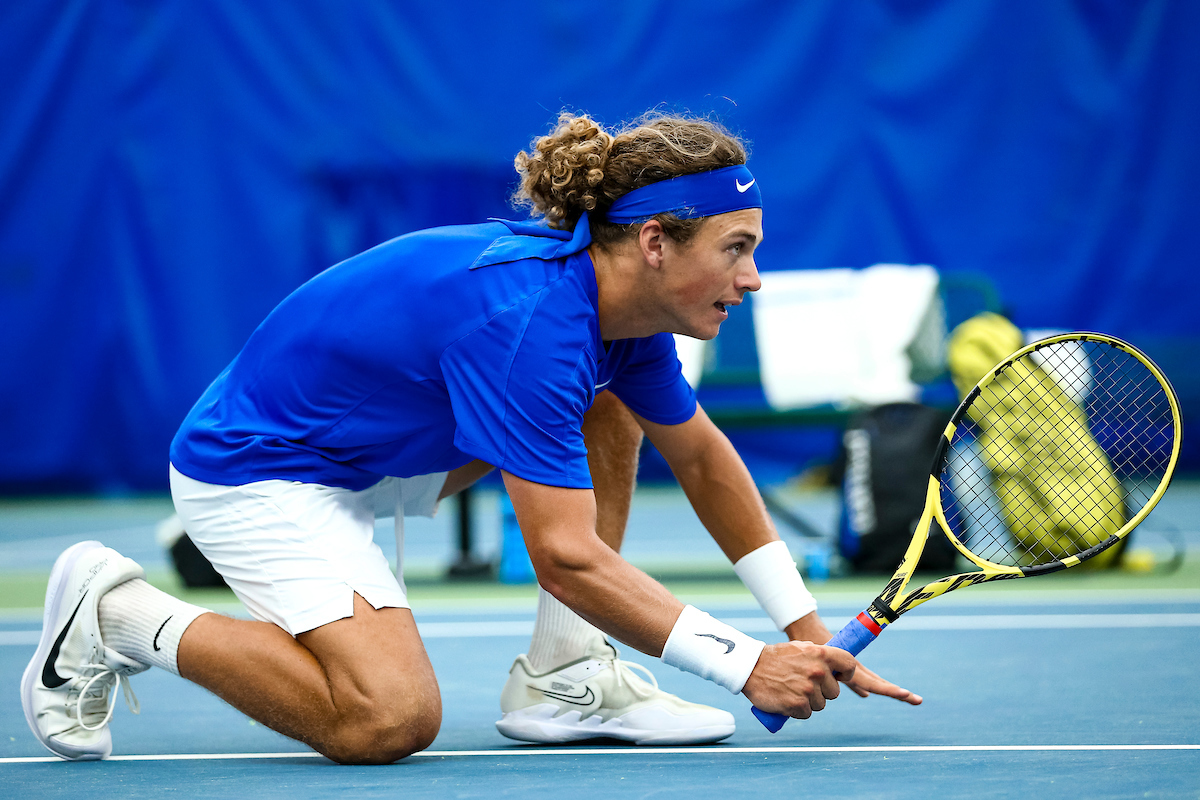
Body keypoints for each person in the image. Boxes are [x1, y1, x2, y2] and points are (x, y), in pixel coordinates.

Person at [22, 111, 921, 765]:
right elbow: (565, 559)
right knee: (385, 721)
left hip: (385, 453)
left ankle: (563, 676)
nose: (754, 277)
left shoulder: (613, 309)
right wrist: (746, 664)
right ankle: (118, 615)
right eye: (737, 248)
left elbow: (699, 455)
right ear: (654, 241)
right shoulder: (531, 326)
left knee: (611, 404)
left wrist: (804, 630)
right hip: (265, 473)